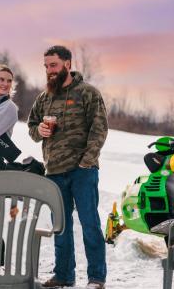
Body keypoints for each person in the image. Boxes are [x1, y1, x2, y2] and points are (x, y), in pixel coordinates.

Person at [27, 45, 108, 289]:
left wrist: (86, 162)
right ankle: (63, 275)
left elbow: (99, 129)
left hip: (82, 171)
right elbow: (32, 127)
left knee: (89, 223)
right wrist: (38, 131)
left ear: (67, 64)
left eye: (53, 65)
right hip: (54, 172)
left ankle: (96, 278)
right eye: (46, 67)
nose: (49, 71)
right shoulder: (44, 97)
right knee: (60, 226)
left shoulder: (87, 93)